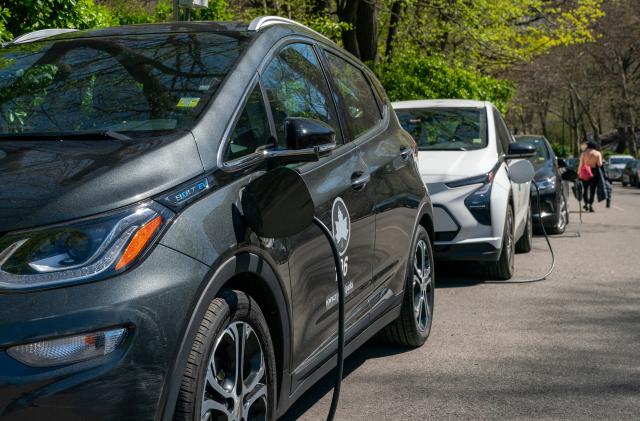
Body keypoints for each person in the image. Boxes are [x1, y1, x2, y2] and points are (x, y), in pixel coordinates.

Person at [578, 141, 604, 212]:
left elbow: (581, 164)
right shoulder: (598, 153)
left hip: (585, 171)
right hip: (594, 172)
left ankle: (586, 204)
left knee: (585, 189)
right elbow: (599, 164)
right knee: (593, 190)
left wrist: (578, 173)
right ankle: (591, 205)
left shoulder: (583, 153)